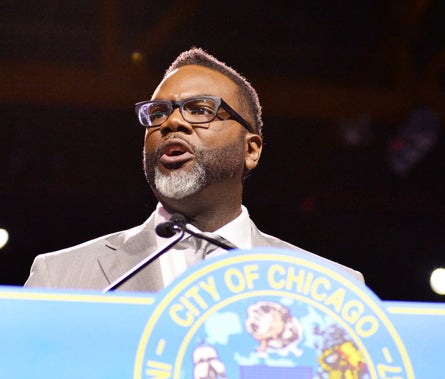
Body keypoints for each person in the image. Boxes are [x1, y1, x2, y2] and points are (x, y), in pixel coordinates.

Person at [24, 47, 364, 292]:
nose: (171, 122)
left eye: (200, 110)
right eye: (157, 113)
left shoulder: (332, 288)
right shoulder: (61, 277)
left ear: (251, 149)